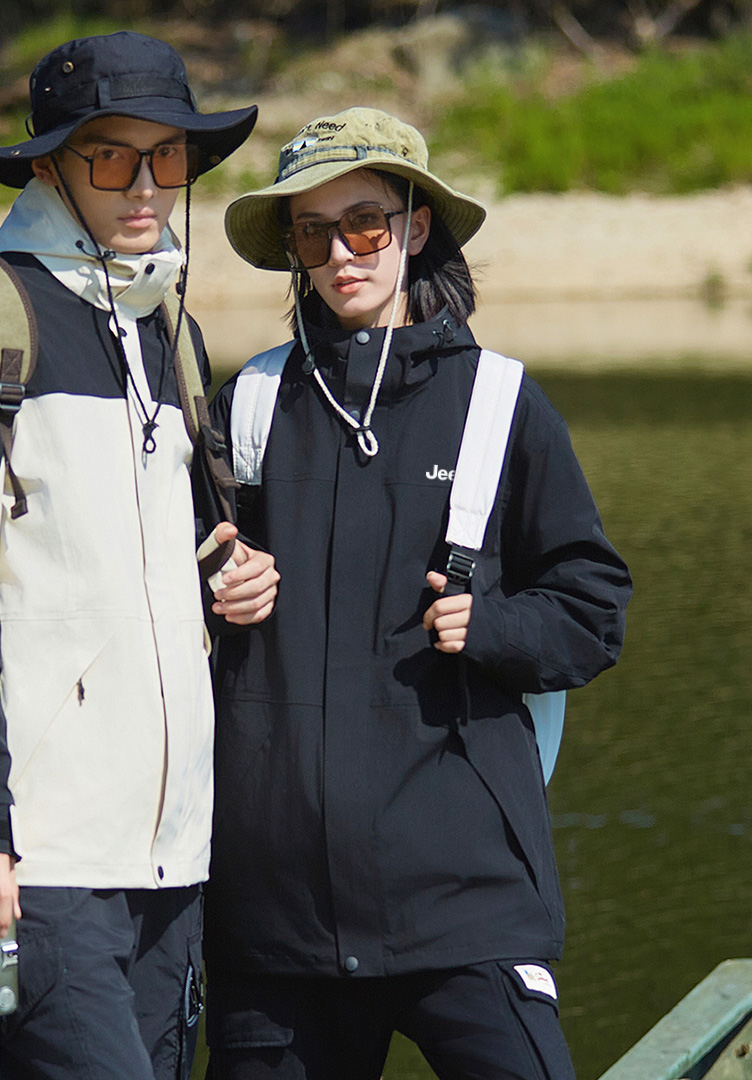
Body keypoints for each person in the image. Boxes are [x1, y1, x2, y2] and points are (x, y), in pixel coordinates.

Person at [199, 107, 632, 1080]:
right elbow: (164, 589)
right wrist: (213, 583)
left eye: (365, 224)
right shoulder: (247, 406)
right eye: (314, 232)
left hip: (466, 903)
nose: (340, 254)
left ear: (416, 225)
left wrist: (493, 624)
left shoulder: (502, 403)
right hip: (275, 920)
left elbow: (593, 610)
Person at [0, 32, 278, 1080]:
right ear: (51, 166)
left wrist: (229, 575)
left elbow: (154, 560)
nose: (145, 186)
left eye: (168, 157)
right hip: (38, 852)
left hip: (173, 852)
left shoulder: (169, 330)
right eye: (112, 158)